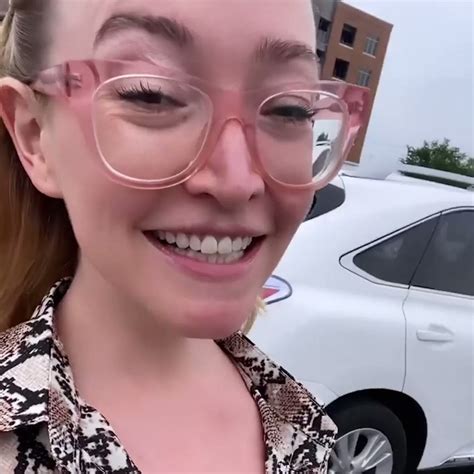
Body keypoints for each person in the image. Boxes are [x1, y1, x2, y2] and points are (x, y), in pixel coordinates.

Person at [0, 0, 368, 472]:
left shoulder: (296, 419)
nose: (237, 180)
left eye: (290, 109)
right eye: (152, 95)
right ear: (34, 135)